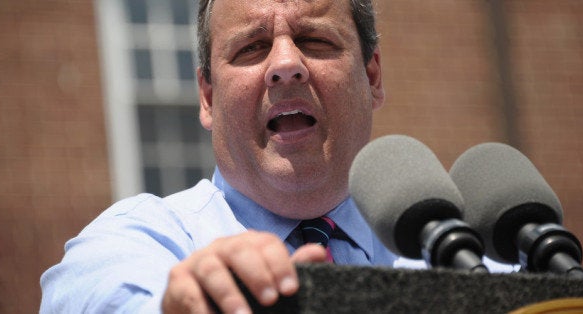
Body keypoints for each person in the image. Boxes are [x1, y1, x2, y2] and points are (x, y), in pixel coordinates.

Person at [41, 0, 514, 313]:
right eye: (251, 47)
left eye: (315, 41)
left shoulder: (470, 260)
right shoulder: (147, 240)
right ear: (207, 96)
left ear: (371, 76)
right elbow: (96, 295)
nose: (286, 66)